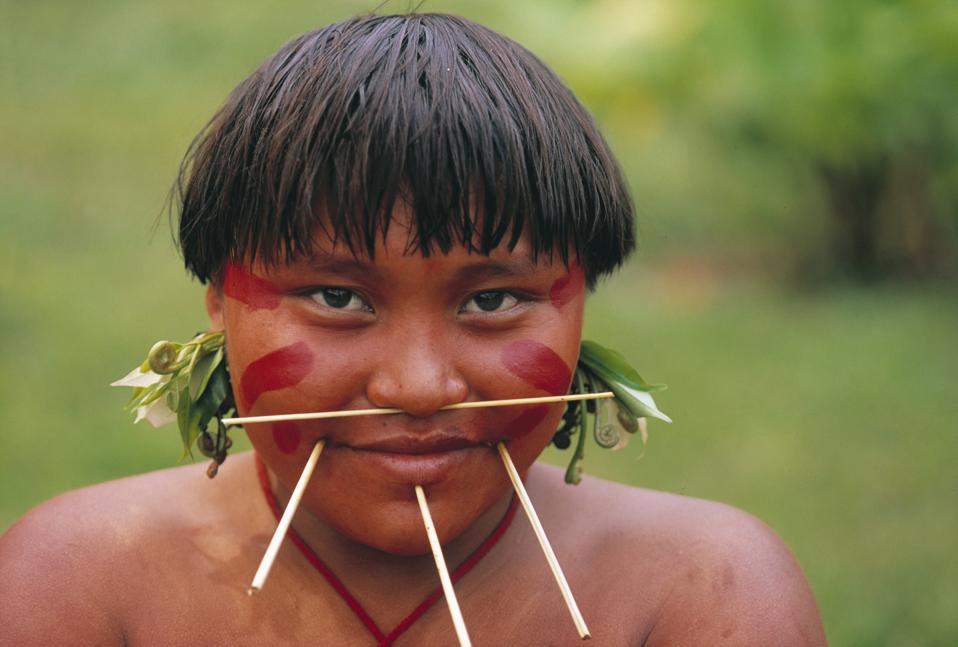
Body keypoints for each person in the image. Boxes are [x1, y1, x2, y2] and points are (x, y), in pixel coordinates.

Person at [0, 13, 826, 646]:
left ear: (581, 301)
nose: (420, 385)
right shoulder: (81, 583)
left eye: (493, 300)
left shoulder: (703, 590)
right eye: (335, 294)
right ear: (217, 300)